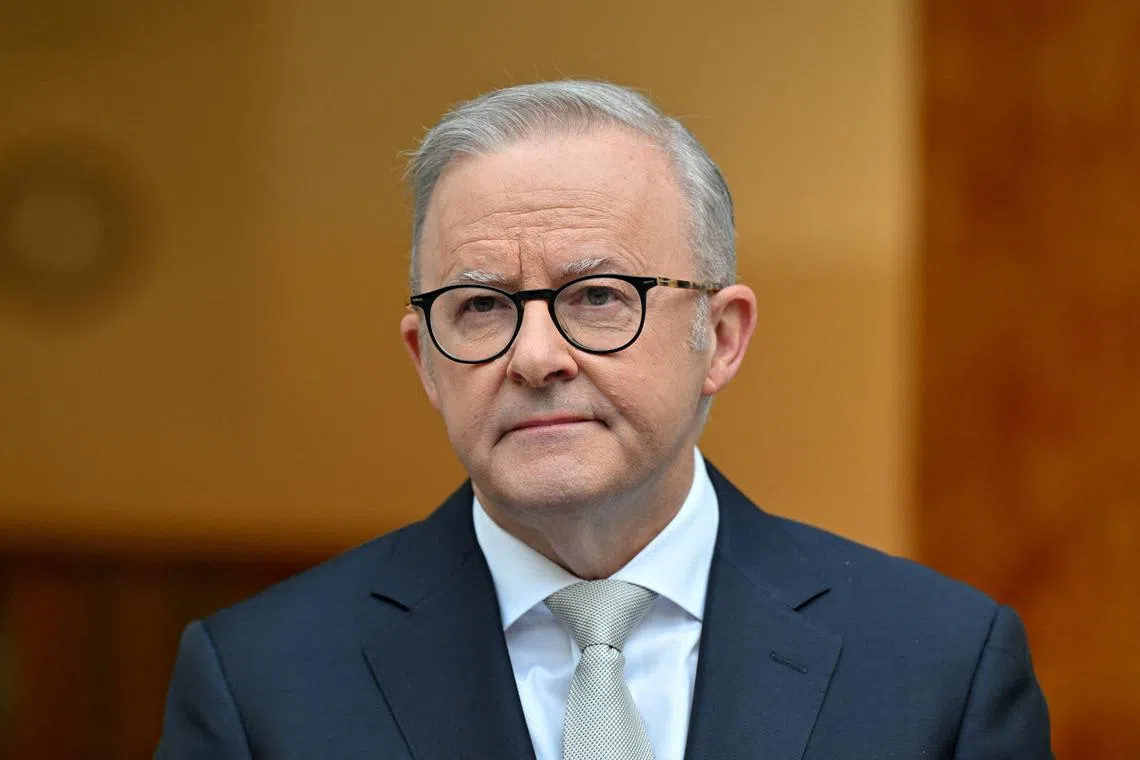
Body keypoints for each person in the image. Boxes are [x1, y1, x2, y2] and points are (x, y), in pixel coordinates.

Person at [157, 80, 1052, 759]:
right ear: (424, 359)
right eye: (479, 307)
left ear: (722, 336)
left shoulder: (938, 666)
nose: (535, 355)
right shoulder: (261, 685)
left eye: (595, 296)